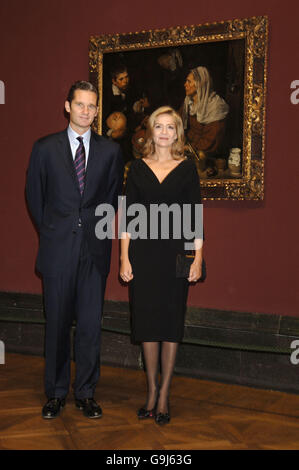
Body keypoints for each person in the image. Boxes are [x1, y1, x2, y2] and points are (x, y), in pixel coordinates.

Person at [25, 81, 123, 419]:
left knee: (90, 327)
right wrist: (54, 230)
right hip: (57, 251)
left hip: (94, 254)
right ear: (67, 106)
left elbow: (111, 200)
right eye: (79, 104)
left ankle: (85, 392)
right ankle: (54, 393)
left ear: (97, 111)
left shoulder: (110, 151)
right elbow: (35, 198)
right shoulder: (44, 148)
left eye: (91, 106)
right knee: (56, 324)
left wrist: (90, 232)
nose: (85, 111)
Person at [120, 106, 203, 425]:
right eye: (159, 126)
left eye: (171, 127)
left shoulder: (187, 168)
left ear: (178, 133)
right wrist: (124, 257)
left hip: (176, 256)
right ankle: (151, 391)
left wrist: (198, 257)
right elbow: (128, 218)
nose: (165, 132)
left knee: (170, 324)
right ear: (150, 131)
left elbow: (195, 216)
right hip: (143, 255)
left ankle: (165, 394)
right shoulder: (137, 169)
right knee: (147, 325)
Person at [181, 66, 229, 171]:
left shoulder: (215, 107)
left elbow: (211, 140)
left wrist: (189, 148)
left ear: (199, 85)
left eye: (189, 82)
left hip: (206, 151)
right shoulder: (188, 102)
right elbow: (179, 120)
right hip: (190, 144)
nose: (185, 85)